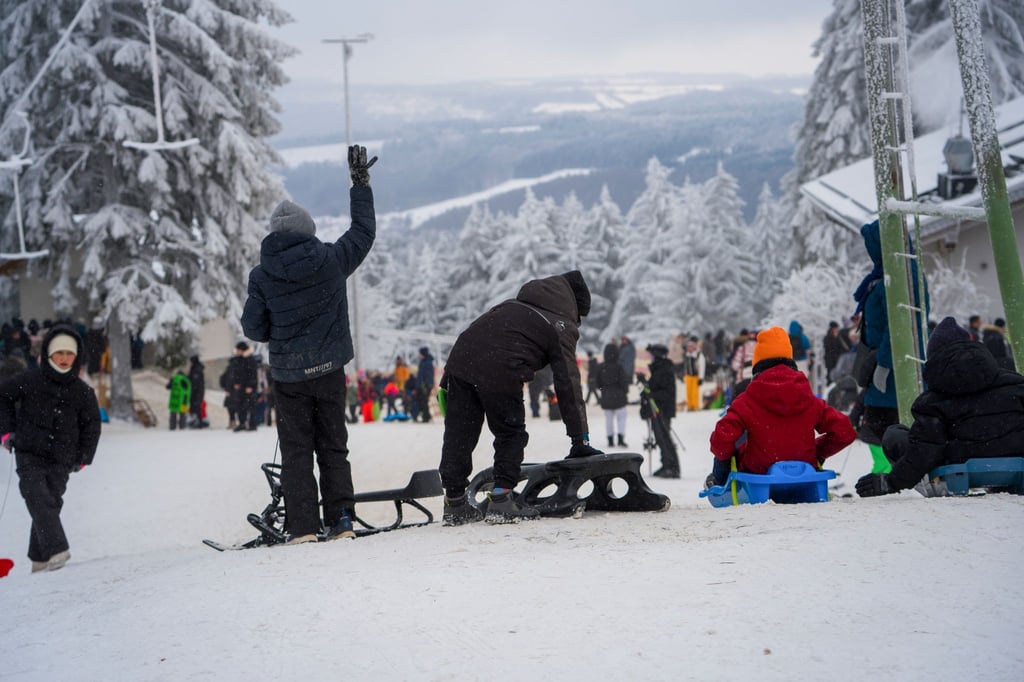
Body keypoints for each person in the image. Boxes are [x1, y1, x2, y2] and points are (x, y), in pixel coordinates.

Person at [240, 144, 377, 544]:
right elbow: (363, 233)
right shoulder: (332, 260)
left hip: (289, 377)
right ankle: (342, 520)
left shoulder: (261, 277)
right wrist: (360, 185)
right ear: (308, 230)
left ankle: (301, 526)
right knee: (334, 445)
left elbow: (254, 329)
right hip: (330, 370)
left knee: (297, 450)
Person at [438, 271, 602, 525]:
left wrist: (446, 380)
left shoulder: (511, 306)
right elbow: (568, 382)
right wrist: (580, 439)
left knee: (461, 432)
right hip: (500, 365)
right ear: (574, 308)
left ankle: (455, 503)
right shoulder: (560, 324)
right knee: (510, 432)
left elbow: (472, 335)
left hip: (461, 358)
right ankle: (502, 500)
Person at [856, 317, 1024, 497]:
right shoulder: (1015, 384)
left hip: (957, 464)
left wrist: (890, 482)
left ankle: (933, 486)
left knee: (895, 434)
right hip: (1016, 459)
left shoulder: (932, 402)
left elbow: (924, 450)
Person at [0, 325, 102, 573]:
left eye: (70, 353)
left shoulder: (83, 392)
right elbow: (2, 396)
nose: (65, 359)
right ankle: (57, 549)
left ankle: (39, 560)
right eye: (60, 353)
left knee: (50, 503)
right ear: (48, 354)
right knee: (37, 496)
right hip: (29, 452)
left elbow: (92, 426)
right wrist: (6, 431)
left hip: (62, 458)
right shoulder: (30, 380)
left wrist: (84, 457)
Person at [707, 327, 856, 486]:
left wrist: (726, 460)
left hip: (758, 476)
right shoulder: (810, 400)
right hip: (803, 474)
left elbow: (721, 440)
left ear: (758, 364)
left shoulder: (747, 401)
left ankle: (719, 482)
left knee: (727, 450)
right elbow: (845, 431)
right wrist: (817, 452)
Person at [851, 219, 928, 475]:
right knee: (878, 421)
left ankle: (889, 472)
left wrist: (884, 362)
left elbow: (903, 324)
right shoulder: (884, 275)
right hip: (882, 364)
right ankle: (887, 470)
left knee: (883, 422)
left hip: (895, 367)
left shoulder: (903, 274)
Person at [639, 343, 680, 478]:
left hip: (662, 410)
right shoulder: (659, 369)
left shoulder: (664, 370)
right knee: (660, 438)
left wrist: (651, 394)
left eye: (652, 355)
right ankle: (666, 464)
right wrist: (644, 385)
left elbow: (666, 393)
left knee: (664, 438)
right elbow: (653, 388)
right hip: (657, 409)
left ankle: (672, 467)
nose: (650, 358)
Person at [596, 343, 630, 448]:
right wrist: (625, 391)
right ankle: (620, 438)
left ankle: (610, 439)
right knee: (622, 418)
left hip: (606, 396)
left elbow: (598, 383)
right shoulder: (619, 367)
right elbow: (624, 381)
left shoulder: (601, 367)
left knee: (608, 419)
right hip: (619, 396)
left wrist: (603, 390)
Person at [226, 342, 259, 432]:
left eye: (238, 350)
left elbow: (253, 374)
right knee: (240, 405)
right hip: (240, 387)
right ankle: (242, 423)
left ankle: (253, 424)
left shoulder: (250, 359)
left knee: (251, 406)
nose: (237, 351)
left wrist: (250, 386)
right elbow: (235, 373)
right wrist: (235, 383)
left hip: (249, 387)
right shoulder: (237, 359)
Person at [682, 335, 706, 412]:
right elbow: (685, 365)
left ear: (694, 347)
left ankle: (695, 406)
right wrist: (683, 374)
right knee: (688, 392)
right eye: (688, 347)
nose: (689, 348)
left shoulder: (699, 355)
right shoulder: (687, 355)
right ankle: (690, 406)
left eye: (691, 347)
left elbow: (701, 367)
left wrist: (701, 378)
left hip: (696, 376)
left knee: (694, 392)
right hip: (688, 376)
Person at [187, 355, 207, 428]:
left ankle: (199, 422)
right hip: (198, 391)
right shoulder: (196, 368)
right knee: (195, 406)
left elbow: (194, 381)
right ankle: (197, 421)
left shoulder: (197, 369)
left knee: (197, 406)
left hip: (197, 391)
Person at [416, 347, 435, 422]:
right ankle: (427, 415)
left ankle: (426, 417)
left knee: (424, 401)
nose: (419, 355)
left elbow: (428, 375)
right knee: (422, 400)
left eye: (420, 354)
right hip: (422, 385)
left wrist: (426, 385)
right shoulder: (423, 362)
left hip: (426, 385)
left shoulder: (427, 363)